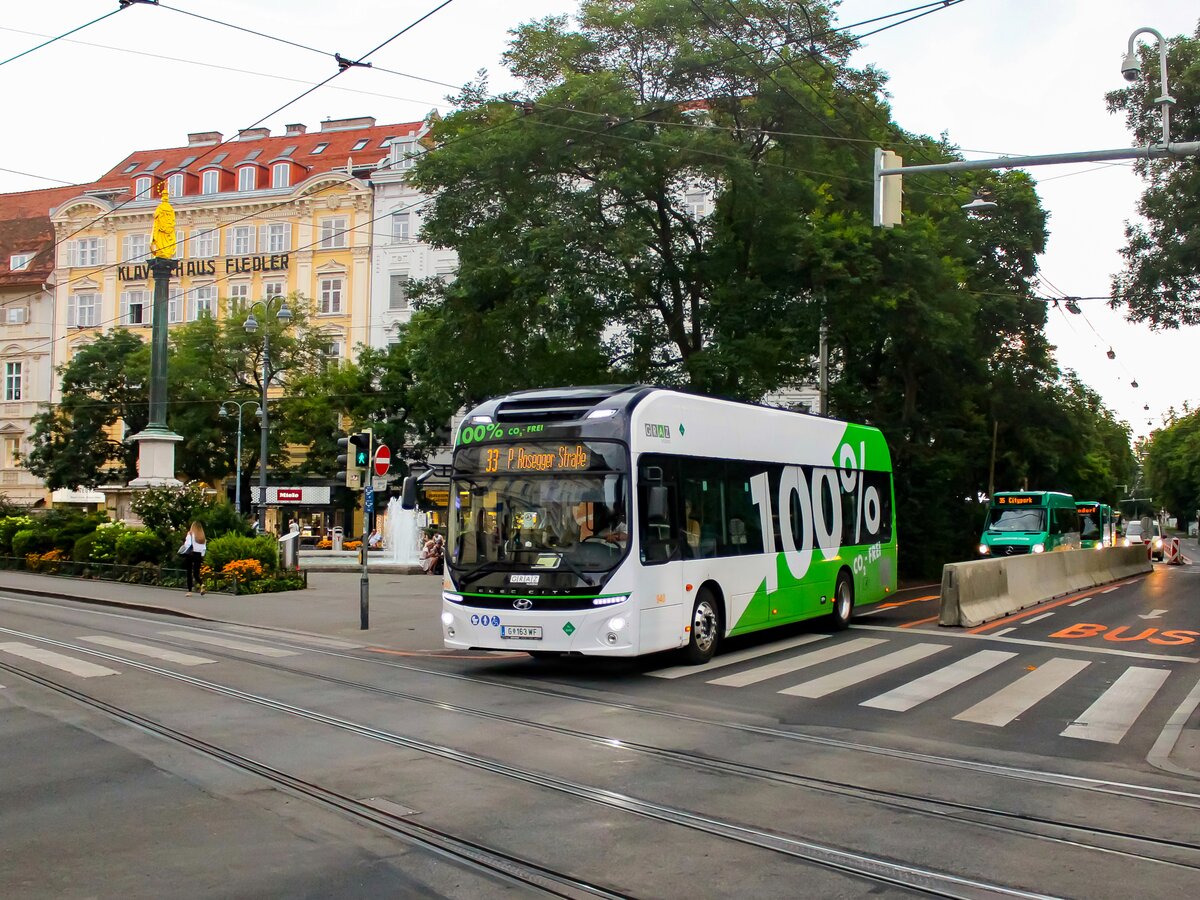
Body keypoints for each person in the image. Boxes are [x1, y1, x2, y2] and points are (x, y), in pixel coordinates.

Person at [179, 521, 207, 596]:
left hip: (190, 554)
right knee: (196, 573)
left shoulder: (190, 534)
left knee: (189, 572)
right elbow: (204, 548)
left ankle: (189, 591)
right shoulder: (202, 537)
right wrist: (202, 556)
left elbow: (187, 544)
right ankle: (201, 584)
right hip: (199, 555)